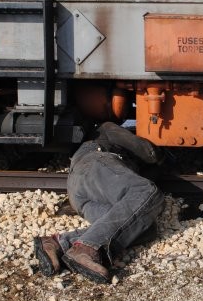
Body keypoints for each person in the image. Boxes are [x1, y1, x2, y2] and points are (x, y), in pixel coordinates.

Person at [34, 122, 165, 284]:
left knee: (144, 227)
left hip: (79, 195)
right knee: (148, 191)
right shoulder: (106, 128)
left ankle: (58, 242)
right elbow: (148, 152)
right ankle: (87, 248)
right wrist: (161, 153)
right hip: (95, 165)